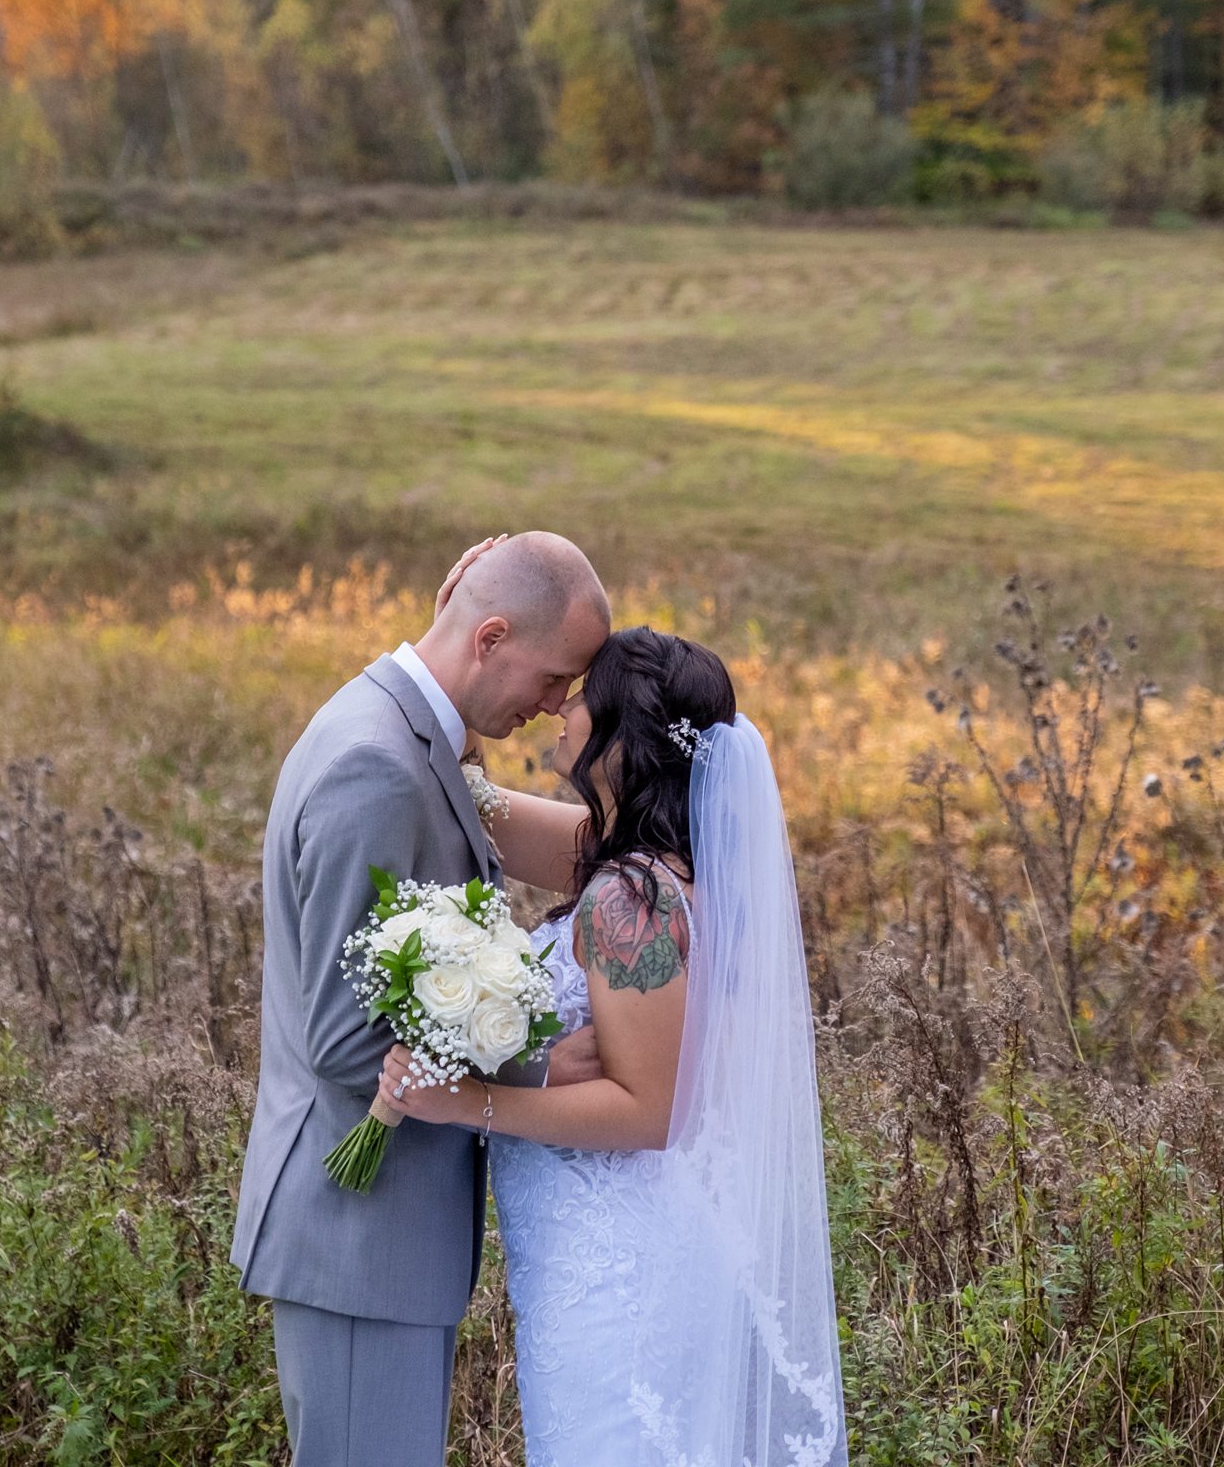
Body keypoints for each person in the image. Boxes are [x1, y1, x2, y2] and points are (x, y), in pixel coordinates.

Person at [382, 619, 850, 1467]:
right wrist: (450, 641)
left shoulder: (630, 898)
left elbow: (647, 1112)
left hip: (620, 1276)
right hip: (608, 1251)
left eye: (578, 695)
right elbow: (476, 807)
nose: (557, 705)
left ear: (623, 737)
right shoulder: (650, 863)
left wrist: (468, 1100)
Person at [231, 530, 610, 1467]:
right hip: (358, 1235)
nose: (557, 705)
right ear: (489, 637)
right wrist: (535, 1064)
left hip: (378, 1243)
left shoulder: (408, 734)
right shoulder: (378, 765)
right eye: (556, 678)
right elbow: (343, 1037)